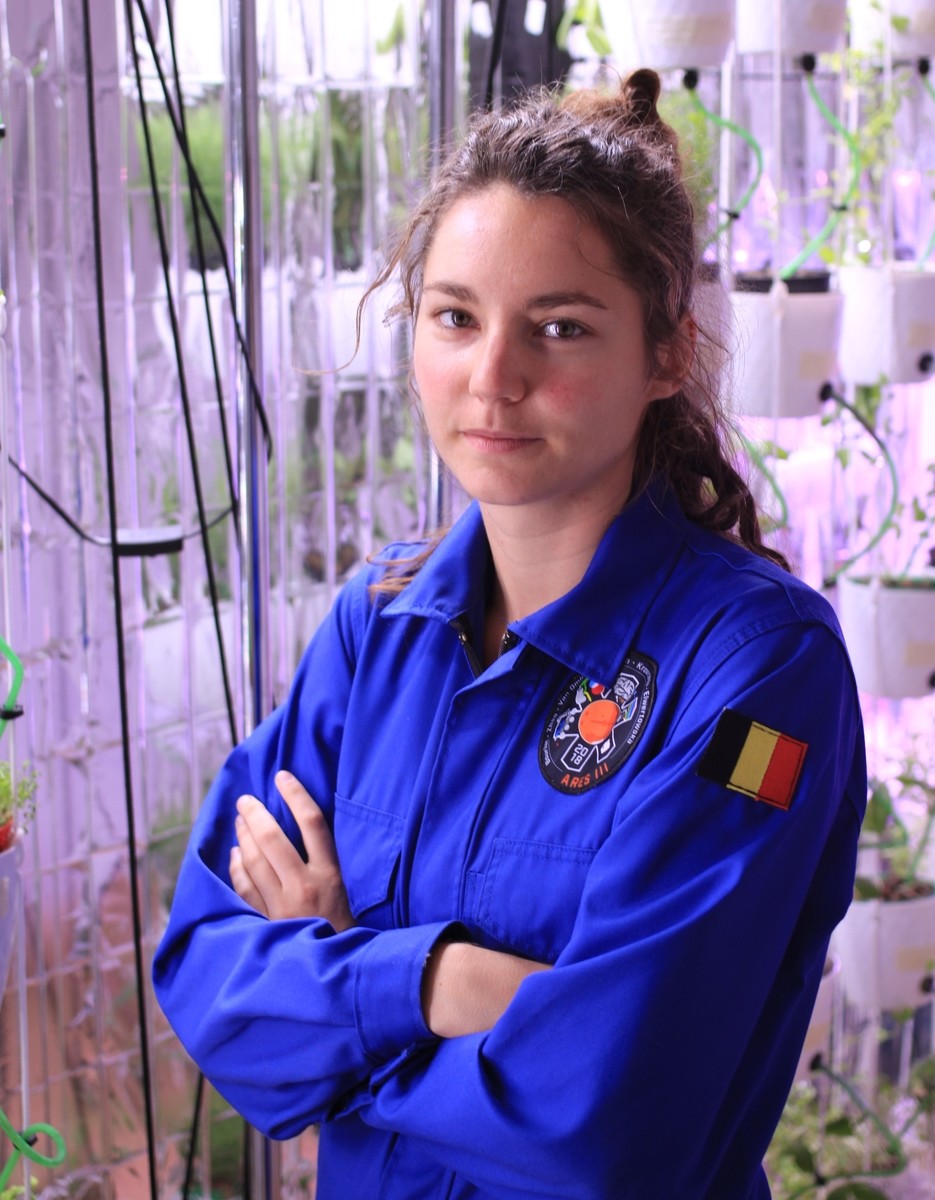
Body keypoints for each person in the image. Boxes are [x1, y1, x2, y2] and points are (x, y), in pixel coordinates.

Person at [153, 69, 866, 1199]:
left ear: (666, 354)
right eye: (455, 317)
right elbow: (206, 975)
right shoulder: (376, 629)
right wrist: (443, 983)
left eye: (559, 328)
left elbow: (611, 1120)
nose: (492, 379)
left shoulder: (757, 675)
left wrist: (335, 991)